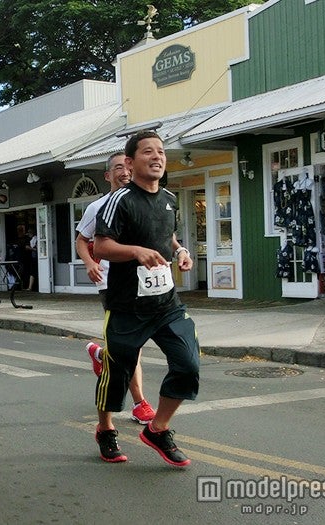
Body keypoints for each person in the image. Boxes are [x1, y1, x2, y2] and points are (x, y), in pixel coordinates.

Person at [93, 130, 198, 467]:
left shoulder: (169, 199)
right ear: (130, 161)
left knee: (188, 364)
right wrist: (136, 251)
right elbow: (100, 246)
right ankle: (105, 428)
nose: (157, 157)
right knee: (117, 375)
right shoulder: (120, 200)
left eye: (161, 152)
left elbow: (167, 235)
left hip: (166, 304)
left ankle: (158, 429)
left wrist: (180, 251)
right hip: (126, 306)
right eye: (148, 152)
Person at [75, 152, 155, 427]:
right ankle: (140, 403)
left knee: (129, 343)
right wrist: (89, 264)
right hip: (111, 283)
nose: (125, 172)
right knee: (132, 345)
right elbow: (81, 240)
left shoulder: (143, 202)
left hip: (142, 281)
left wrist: (179, 251)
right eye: (118, 168)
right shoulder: (97, 207)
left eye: (128, 167)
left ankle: (100, 354)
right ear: (108, 175)